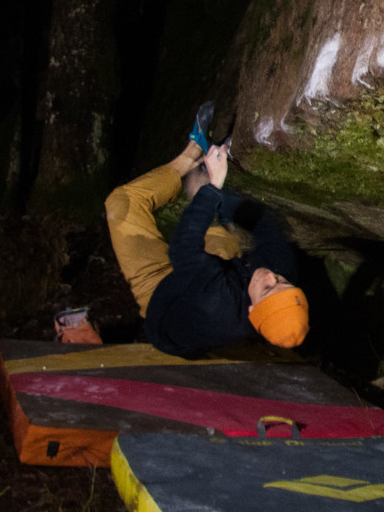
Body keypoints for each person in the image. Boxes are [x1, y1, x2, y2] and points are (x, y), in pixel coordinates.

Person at [101, 133, 310, 357]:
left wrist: (210, 190)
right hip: (215, 267)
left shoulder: (217, 308)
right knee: (216, 233)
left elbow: (183, 249)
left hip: (159, 293)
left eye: (267, 288)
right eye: (282, 282)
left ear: (252, 310)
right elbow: (266, 223)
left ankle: (185, 162)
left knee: (120, 203)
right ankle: (222, 226)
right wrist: (222, 203)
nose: (271, 276)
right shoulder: (278, 272)